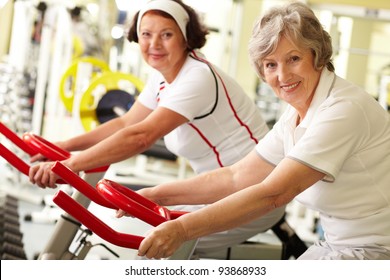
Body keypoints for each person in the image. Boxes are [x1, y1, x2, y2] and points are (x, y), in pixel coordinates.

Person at [135, 1, 390, 260]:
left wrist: (182, 229)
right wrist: (155, 195)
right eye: (270, 65)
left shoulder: (343, 109)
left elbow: (274, 194)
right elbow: (237, 176)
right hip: (339, 244)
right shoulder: (296, 113)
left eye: (294, 59)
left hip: (374, 252)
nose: (283, 75)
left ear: (317, 55)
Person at [29, 0, 286, 256]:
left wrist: (70, 165)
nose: (154, 44)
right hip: (212, 190)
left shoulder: (198, 76)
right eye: (146, 34)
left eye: (166, 34)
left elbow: (141, 136)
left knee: (154, 246)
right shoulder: (163, 76)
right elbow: (126, 123)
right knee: (140, 235)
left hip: (253, 195)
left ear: (185, 38)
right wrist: (62, 148)